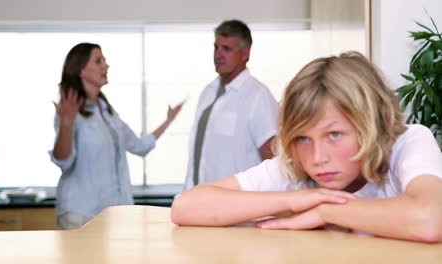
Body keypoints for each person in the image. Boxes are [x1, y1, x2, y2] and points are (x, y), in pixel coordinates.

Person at [171, 51, 442, 243]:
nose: (317, 158)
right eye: (302, 138)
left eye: (334, 134)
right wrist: (294, 200)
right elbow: (186, 207)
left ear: (372, 124)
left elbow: (432, 220)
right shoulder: (295, 167)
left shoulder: (408, 142)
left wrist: (327, 210)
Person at [50, 43, 183, 229]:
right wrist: (66, 123)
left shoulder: (108, 113)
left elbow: (139, 146)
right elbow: (63, 161)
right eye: (98, 61)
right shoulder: (70, 111)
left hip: (111, 214)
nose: (106, 66)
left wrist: (168, 120)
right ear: (81, 70)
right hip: (80, 213)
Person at [184, 19, 279, 189]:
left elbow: (273, 159)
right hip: (201, 200)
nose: (218, 55)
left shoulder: (258, 96)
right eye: (216, 47)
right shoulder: (208, 92)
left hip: (239, 205)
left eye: (226, 49)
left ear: (245, 53)